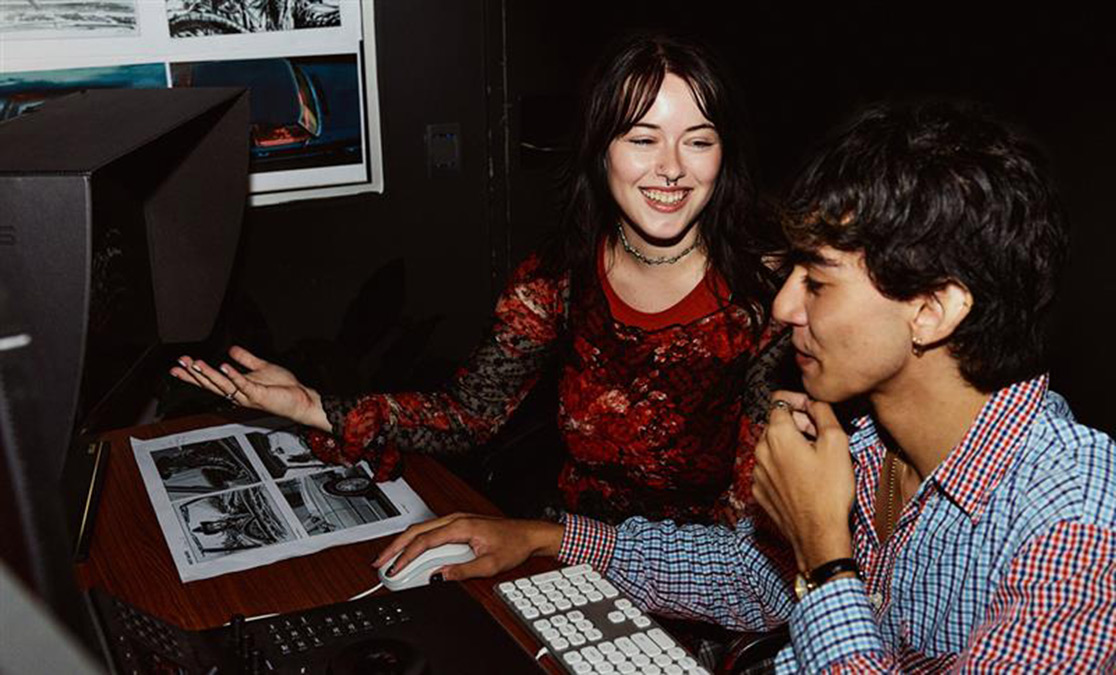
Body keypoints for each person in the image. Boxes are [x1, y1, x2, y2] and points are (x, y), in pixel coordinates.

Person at [376, 101, 1116, 671]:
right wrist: (545, 535)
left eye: (817, 280)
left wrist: (826, 554)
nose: (787, 305)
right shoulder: (865, 438)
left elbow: (806, 574)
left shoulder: (1078, 525)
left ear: (932, 309)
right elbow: (745, 572)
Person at [171, 33, 788, 527]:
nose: (672, 169)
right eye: (643, 138)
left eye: (698, 142)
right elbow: (468, 415)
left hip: (711, 586)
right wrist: (310, 404)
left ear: (723, 155)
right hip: (570, 549)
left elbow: (757, 507)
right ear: (601, 152)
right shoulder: (556, 281)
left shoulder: (773, 297)